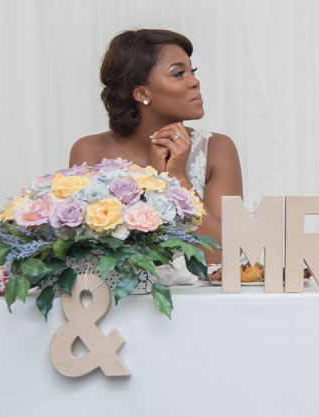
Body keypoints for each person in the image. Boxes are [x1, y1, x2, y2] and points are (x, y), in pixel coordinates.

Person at [70, 28, 242, 264]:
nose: (195, 82)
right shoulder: (90, 151)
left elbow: (227, 255)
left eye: (192, 71)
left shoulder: (217, 149)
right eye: (179, 73)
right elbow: (93, 256)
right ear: (141, 93)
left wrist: (178, 180)